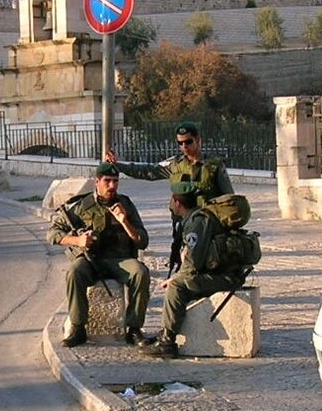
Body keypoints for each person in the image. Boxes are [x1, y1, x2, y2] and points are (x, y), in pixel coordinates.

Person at [105, 121, 233, 275]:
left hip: (208, 225)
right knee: (186, 263)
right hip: (183, 224)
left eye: (188, 142)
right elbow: (148, 171)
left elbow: (228, 199)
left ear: (198, 140)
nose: (184, 146)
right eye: (180, 143)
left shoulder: (214, 166)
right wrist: (118, 166)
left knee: (208, 263)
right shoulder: (175, 164)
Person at [47, 162, 151, 347]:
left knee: (140, 272)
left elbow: (142, 241)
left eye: (116, 181)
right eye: (108, 181)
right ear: (97, 181)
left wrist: (125, 221)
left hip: (120, 260)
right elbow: (53, 234)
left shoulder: (125, 204)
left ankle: (134, 329)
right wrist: (77, 241)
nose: (112, 186)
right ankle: (78, 328)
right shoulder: (81, 206)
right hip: (91, 260)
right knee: (74, 272)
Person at [141, 181, 243, 359]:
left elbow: (193, 263)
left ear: (176, 202)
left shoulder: (197, 222)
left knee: (177, 286)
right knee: (181, 282)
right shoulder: (196, 218)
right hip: (221, 273)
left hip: (226, 277)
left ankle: (167, 341)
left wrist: (175, 278)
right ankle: (167, 329)